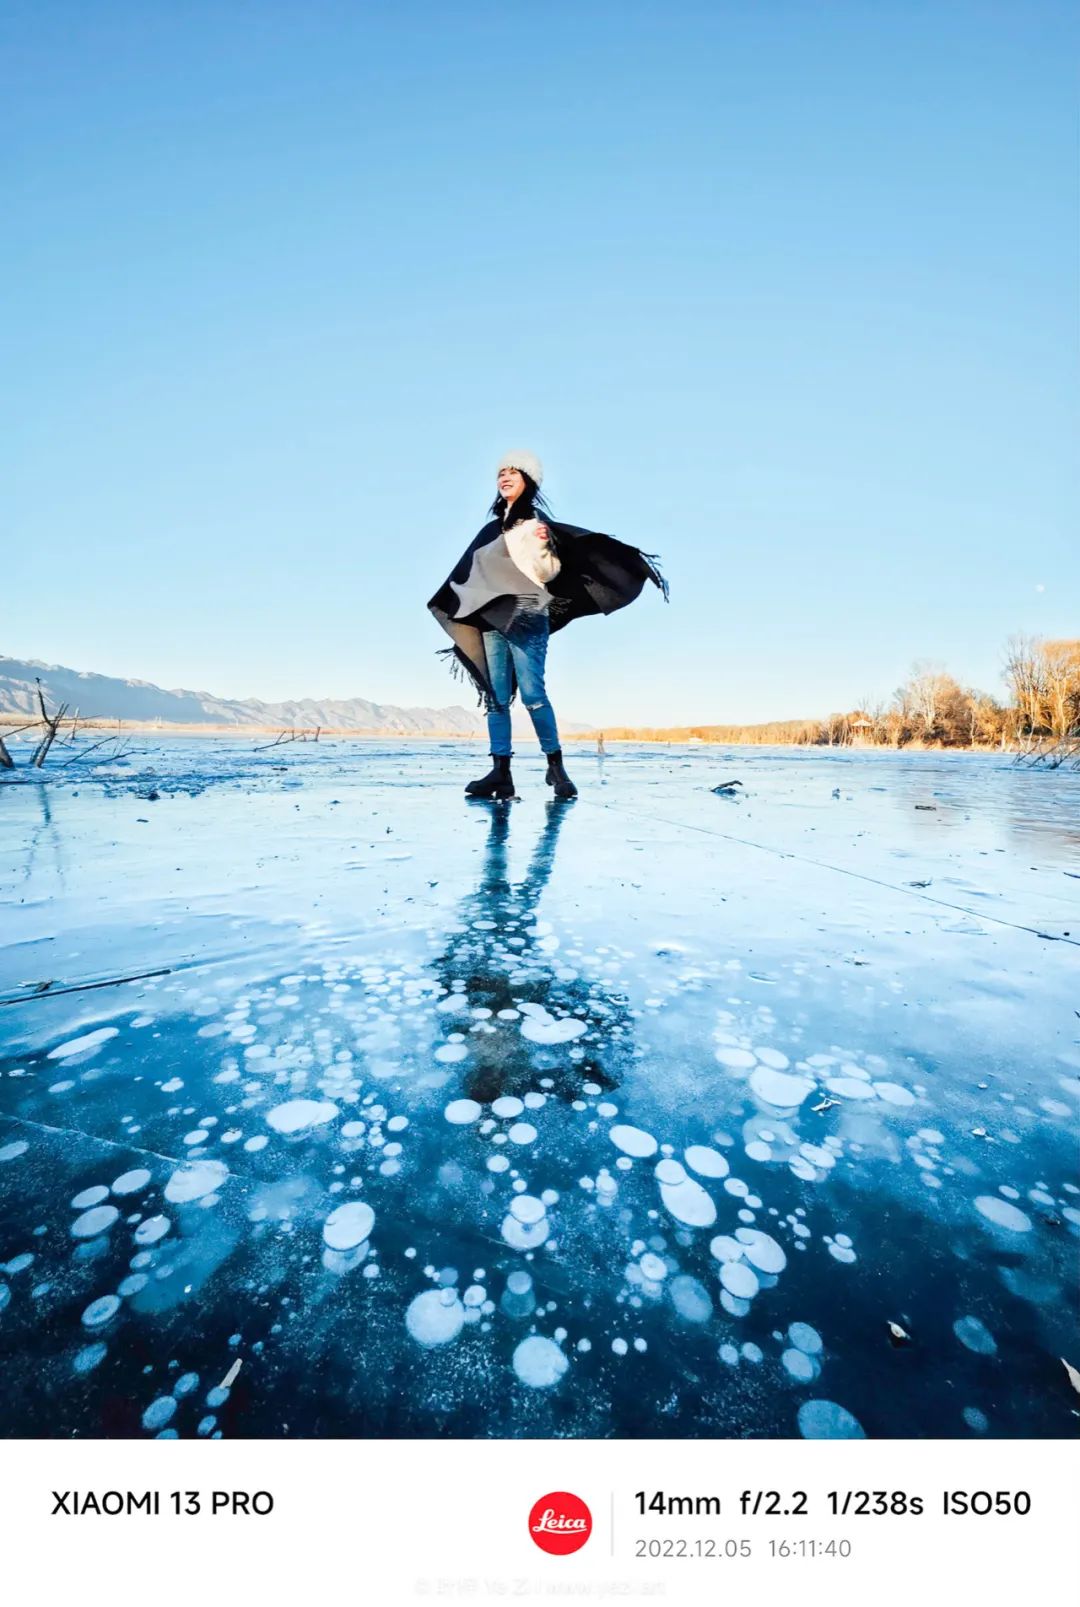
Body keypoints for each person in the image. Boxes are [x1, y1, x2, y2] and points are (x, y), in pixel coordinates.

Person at [428, 450, 666, 801]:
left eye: (514, 472)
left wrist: (541, 549)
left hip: (525, 610)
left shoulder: (533, 525)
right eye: (501, 473)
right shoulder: (490, 531)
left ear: (529, 481)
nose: (505, 477)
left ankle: (556, 768)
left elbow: (547, 574)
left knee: (533, 694)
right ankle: (500, 773)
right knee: (496, 700)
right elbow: (471, 576)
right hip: (493, 616)